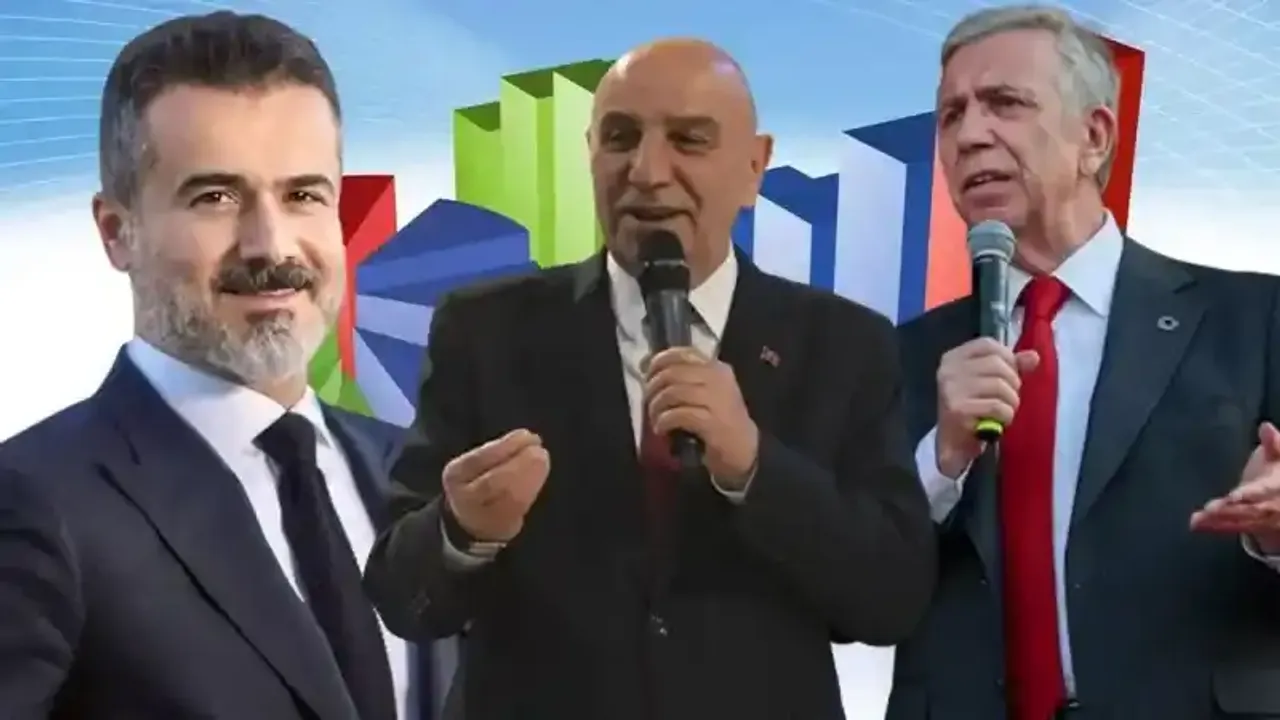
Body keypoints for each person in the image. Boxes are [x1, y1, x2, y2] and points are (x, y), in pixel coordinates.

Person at [362, 38, 937, 720]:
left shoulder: (844, 344)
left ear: (754, 166)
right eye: (620, 138)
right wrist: (461, 531)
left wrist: (756, 467)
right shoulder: (483, 329)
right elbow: (402, 597)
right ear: (590, 153)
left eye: (689, 140)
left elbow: (891, 598)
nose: (646, 171)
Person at [0, 12, 439, 720]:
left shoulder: (418, 475)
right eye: (216, 198)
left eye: (303, 195)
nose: (272, 245)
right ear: (117, 232)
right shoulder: (30, 500)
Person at [888, 6, 1280, 720]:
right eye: (951, 116)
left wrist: (1274, 535)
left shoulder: (1256, 319)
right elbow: (860, 583)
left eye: (1005, 103)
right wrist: (940, 462)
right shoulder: (902, 354)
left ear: (1094, 137)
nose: (970, 135)